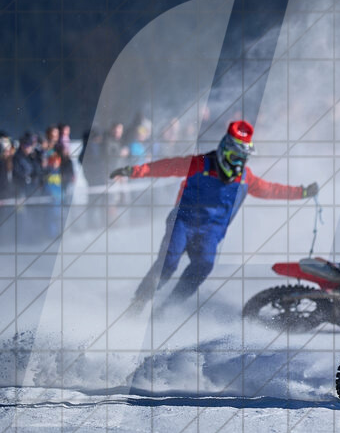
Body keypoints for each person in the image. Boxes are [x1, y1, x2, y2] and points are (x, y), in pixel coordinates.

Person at [110, 120, 318, 314]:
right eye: (237, 157)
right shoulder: (201, 164)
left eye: (244, 158)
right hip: (184, 221)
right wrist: (134, 170)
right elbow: (167, 166)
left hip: (211, 232)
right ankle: (139, 300)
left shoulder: (246, 178)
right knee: (169, 261)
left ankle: (168, 308)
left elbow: (271, 190)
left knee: (204, 265)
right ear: (226, 151)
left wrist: (303, 192)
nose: (240, 163)